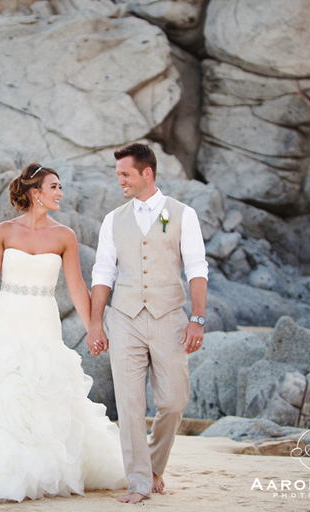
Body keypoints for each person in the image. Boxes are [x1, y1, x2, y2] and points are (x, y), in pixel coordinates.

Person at [0, 163, 127, 502]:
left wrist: (93, 329)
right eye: (54, 187)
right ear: (35, 192)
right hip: (7, 319)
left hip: (43, 321)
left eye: (60, 186)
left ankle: (41, 474)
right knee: (3, 392)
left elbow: (77, 287)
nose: (60, 193)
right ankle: (2, 474)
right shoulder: (4, 231)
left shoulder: (65, 236)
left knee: (43, 389)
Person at [88, 142, 208, 505]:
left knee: (173, 401)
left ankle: (154, 465)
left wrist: (197, 319)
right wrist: (96, 323)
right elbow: (103, 272)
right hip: (124, 318)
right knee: (129, 404)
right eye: (118, 175)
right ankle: (139, 482)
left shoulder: (183, 214)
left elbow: (197, 268)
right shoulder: (113, 219)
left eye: (125, 174)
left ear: (147, 173)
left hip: (170, 318)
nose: (120, 181)